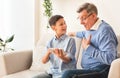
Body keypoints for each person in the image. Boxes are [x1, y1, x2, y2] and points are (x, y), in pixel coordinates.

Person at [62, 2, 118, 78]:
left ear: (93, 16)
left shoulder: (105, 31)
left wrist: (88, 48)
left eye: (83, 18)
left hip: (101, 69)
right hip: (89, 69)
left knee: (68, 74)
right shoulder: (90, 28)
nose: (81, 22)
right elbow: (84, 33)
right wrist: (72, 33)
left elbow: (110, 59)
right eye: (79, 19)